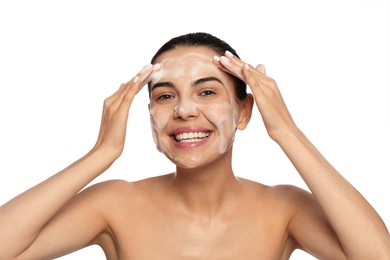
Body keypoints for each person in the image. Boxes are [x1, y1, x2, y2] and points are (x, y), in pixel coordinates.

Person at [0, 32, 389, 260]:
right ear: (149, 112)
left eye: (206, 91)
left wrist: (286, 131)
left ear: (244, 110)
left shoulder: (284, 209)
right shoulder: (115, 204)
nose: (184, 110)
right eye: (165, 96)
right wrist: (101, 153)